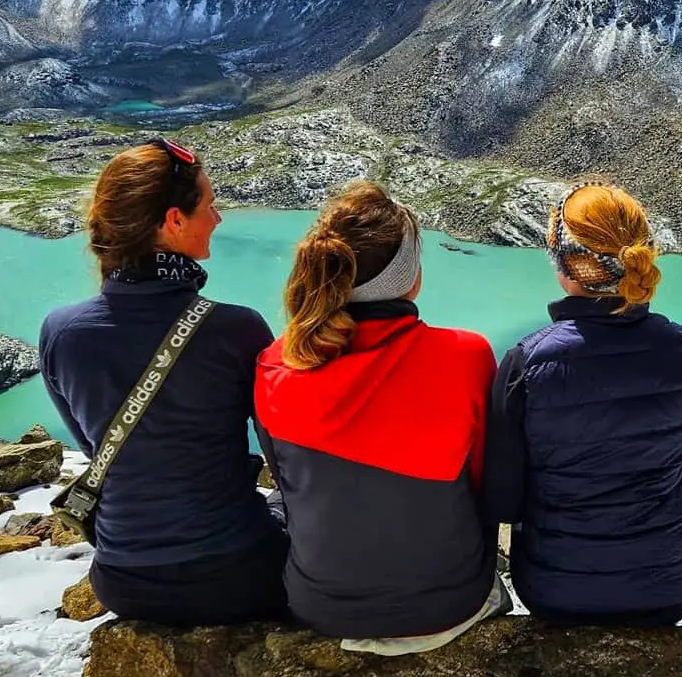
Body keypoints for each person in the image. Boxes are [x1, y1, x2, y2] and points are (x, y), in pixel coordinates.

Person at [39, 136, 288, 625]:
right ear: (174, 221)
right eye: (210, 206)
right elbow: (284, 456)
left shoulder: (61, 332)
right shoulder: (237, 329)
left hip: (122, 581)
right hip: (238, 573)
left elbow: (97, 450)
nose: (217, 218)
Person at [255, 181, 506, 650]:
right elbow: (483, 482)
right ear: (408, 277)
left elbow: (288, 484)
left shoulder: (275, 364)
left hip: (319, 605)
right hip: (448, 603)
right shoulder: (465, 356)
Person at [485, 181, 682, 627]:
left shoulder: (526, 364)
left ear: (566, 265)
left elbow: (505, 500)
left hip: (559, 590)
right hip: (675, 584)